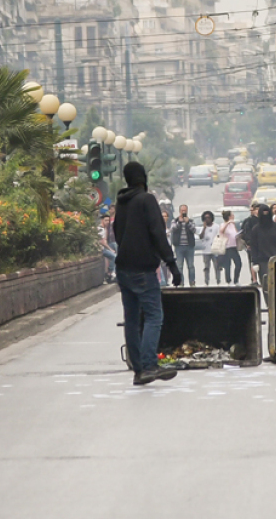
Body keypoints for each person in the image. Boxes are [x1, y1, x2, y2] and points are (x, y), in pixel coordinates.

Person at [112, 161, 179, 386]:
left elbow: (117, 234)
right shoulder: (146, 200)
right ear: (143, 178)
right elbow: (158, 234)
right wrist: (171, 263)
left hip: (123, 269)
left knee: (131, 320)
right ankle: (150, 365)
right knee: (153, 316)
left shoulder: (121, 203)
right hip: (142, 269)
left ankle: (139, 370)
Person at [248, 204, 276, 295]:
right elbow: (254, 247)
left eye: (267, 213)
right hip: (262, 262)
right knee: (266, 286)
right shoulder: (255, 229)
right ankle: (269, 306)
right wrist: (255, 262)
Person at [198, 211, 222, 286]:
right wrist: (204, 228)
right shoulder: (202, 228)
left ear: (212, 218)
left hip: (215, 250)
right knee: (206, 267)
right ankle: (206, 281)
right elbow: (200, 237)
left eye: (209, 217)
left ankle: (218, 281)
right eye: (205, 218)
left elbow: (219, 236)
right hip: (206, 251)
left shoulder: (216, 226)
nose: (207, 219)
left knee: (217, 267)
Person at [220, 210, 242, 284]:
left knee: (238, 263)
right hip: (227, 247)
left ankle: (236, 280)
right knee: (227, 265)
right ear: (229, 217)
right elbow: (221, 231)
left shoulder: (233, 225)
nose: (233, 216)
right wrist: (228, 223)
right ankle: (228, 280)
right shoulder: (223, 224)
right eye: (232, 215)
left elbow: (235, 234)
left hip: (234, 247)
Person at [97, 215, 116, 283]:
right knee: (114, 256)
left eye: (108, 220)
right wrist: (110, 249)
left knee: (114, 256)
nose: (107, 222)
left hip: (103, 248)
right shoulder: (100, 229)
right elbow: (102, 242)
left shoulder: (105, 228)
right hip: (100, 249)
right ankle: (109, 273)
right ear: (102, 220)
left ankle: (111, 274)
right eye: (106, 220)